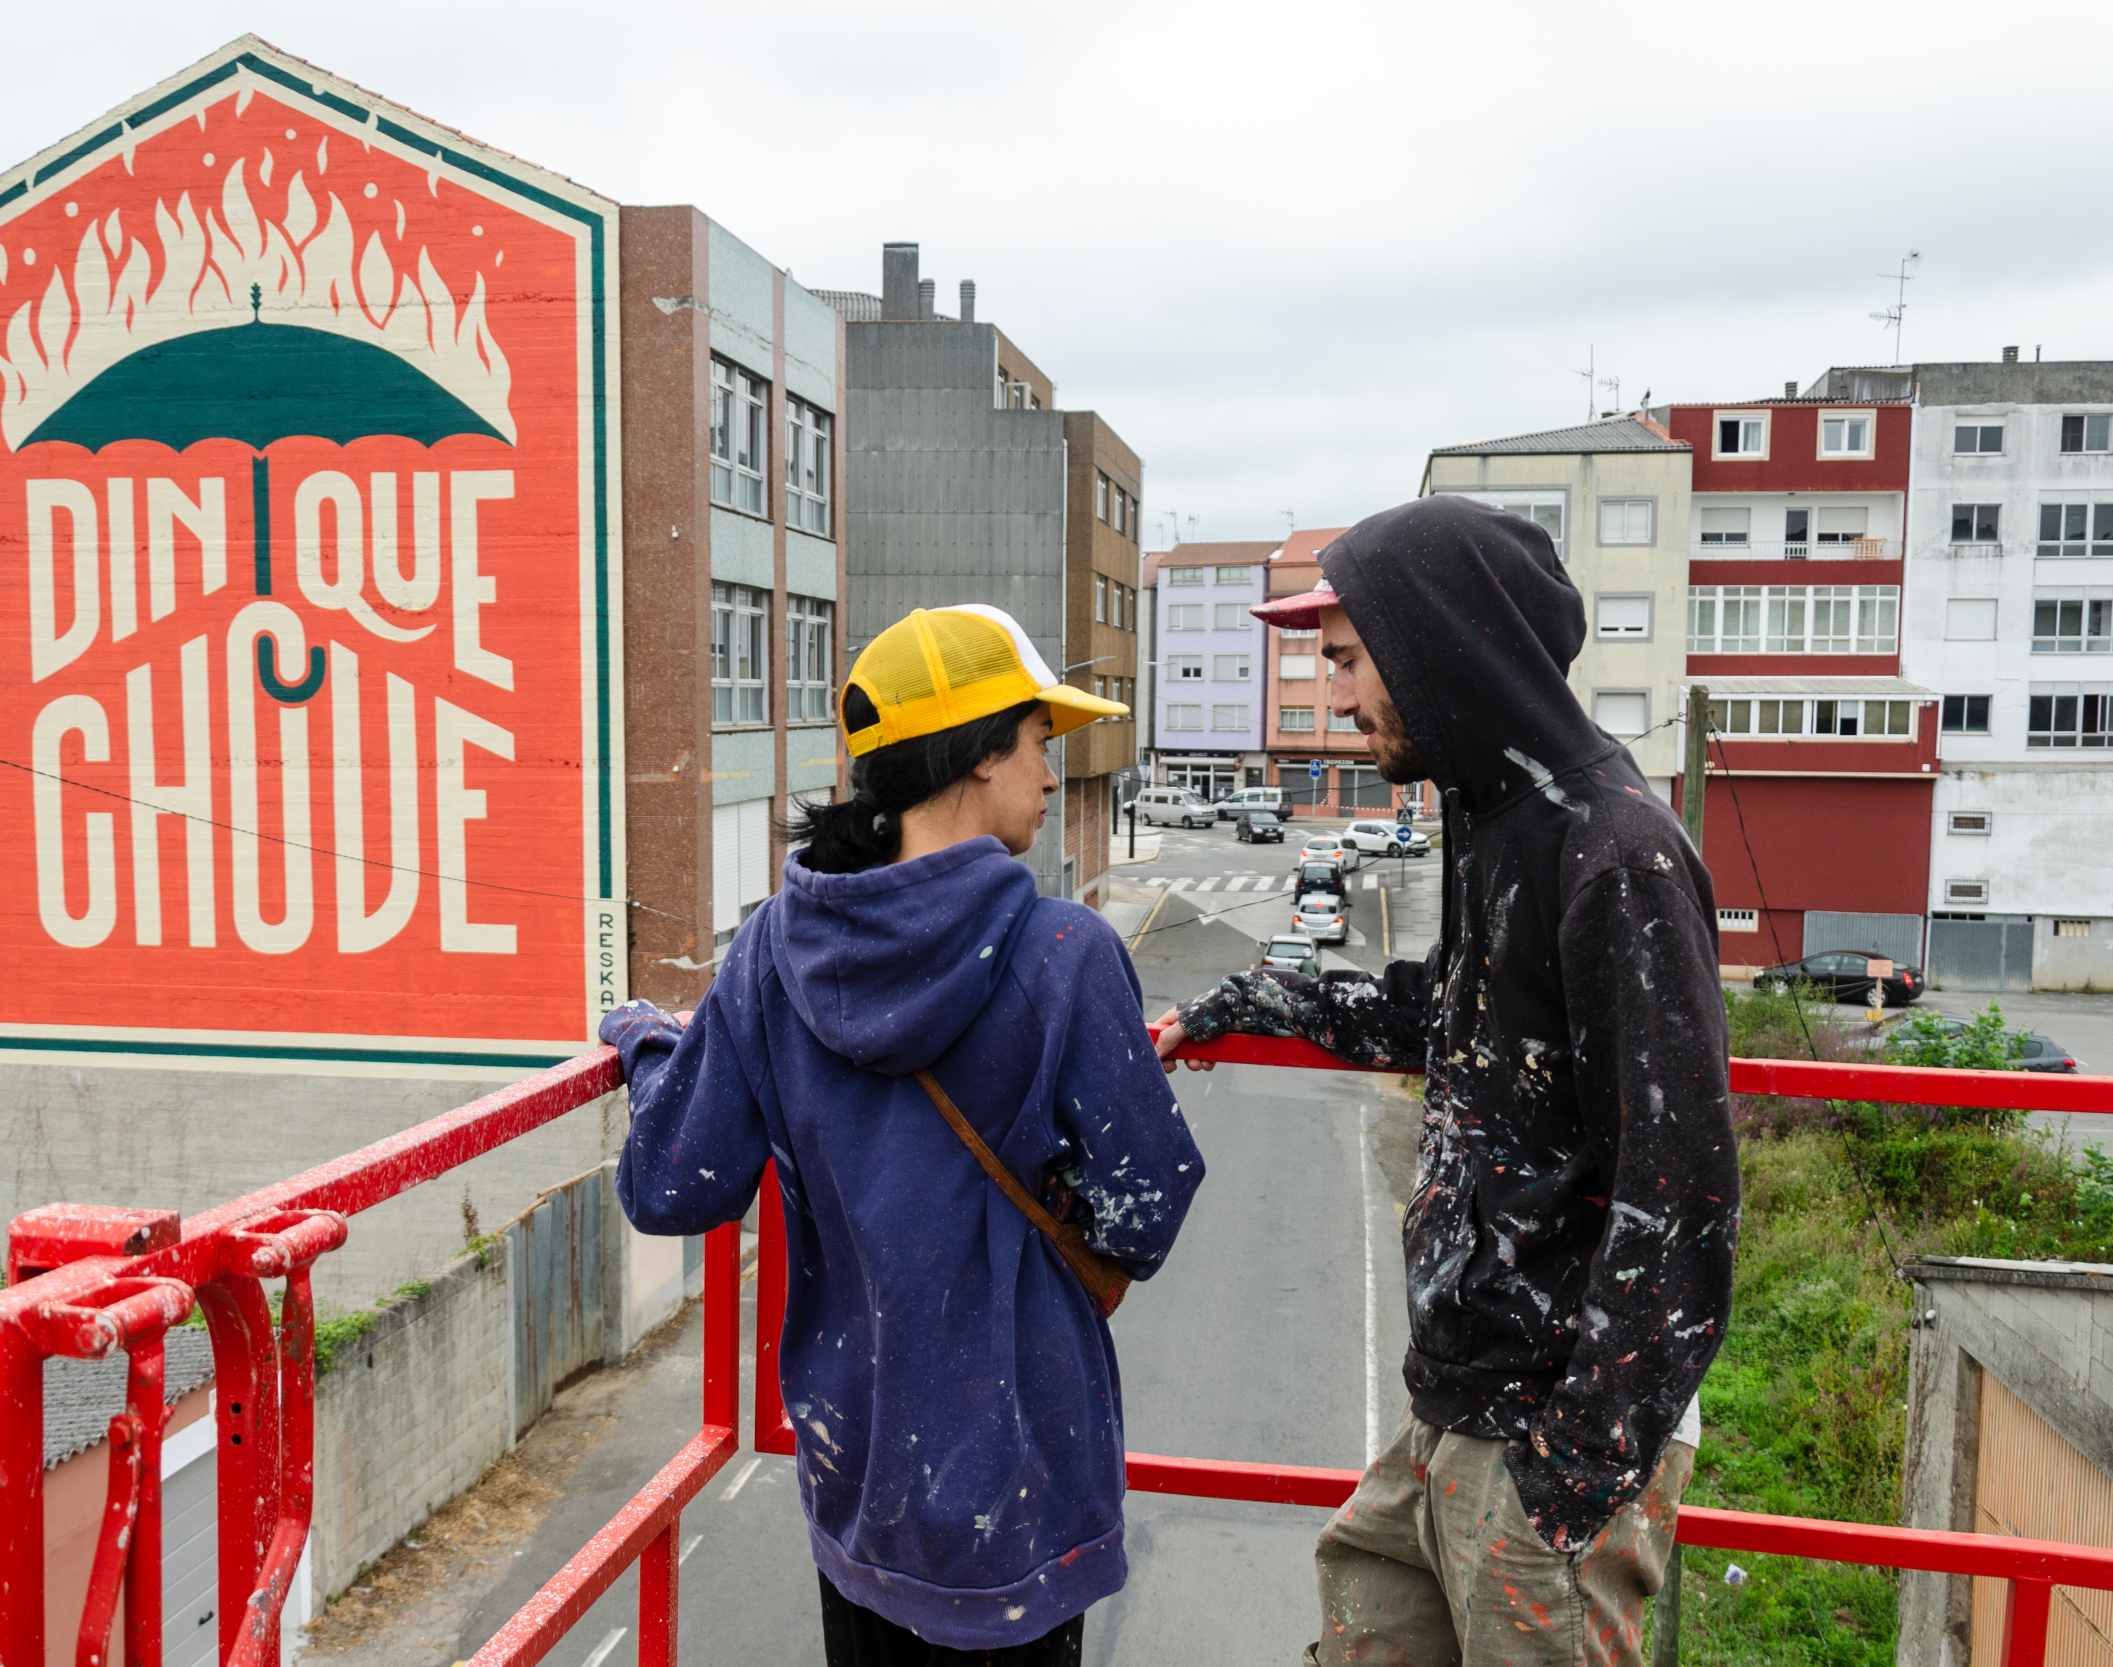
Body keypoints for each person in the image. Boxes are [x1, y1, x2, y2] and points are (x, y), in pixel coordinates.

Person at [1156, 495, 1737, 1665]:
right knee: (1357, 1616)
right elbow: (1459, 1015)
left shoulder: (1615, 853)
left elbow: (1679, 1197)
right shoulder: (1495, 814)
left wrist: (1567, 1475)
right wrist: (1242, 1001)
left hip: (1544, 1442)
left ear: (1438, 641)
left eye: (1349, 660)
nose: (1333, 696)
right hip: (1455, 1404)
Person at [602, 603, 1204, 1666]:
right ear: (979, 753)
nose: (1052, 774)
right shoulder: (1065, 951)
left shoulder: (773, 948)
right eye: (1037, 741)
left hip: (861, 1474)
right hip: (1017, 1498)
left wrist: (655, 1050)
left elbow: (671, 1185)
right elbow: (1143, 1215)